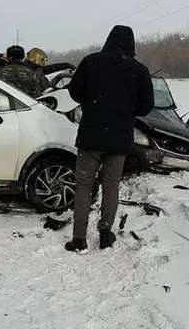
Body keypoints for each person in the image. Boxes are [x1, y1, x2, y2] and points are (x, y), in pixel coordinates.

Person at [65, 25, 155, 252]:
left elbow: (74, 91)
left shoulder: (90, 62)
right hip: (119, 138)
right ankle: (106, 233)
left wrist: (92, 99)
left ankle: (79, 239)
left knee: (84, 186)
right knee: (111, 187)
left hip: (91, 136)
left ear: (109, 39)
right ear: (131, 44)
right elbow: (147, 107)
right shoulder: (139, 70)